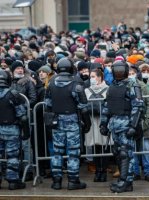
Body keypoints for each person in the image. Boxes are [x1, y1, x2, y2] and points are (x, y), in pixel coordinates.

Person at [45, 58, 91, 190]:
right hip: (71, 122)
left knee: (57, 152)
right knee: (73, 152)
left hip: (56, 120)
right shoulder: (76, 82)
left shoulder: (52, 82)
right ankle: (73, 180)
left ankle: (56, 181)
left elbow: (47, 105)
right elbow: (83, 107)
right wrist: (87, 124)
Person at [99, 60, 144, 193]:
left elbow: (138, 106)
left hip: (126, 124)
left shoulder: (132, 84)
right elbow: (107, 106)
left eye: (120, 70)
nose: (118, 73)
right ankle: (123, 180)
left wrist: (133, 125)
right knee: (117, 153)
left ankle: (127, 182)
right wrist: (103, 123)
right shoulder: (112, 85)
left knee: (126, 154)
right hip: (114, 125)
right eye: (116, 70)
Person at [0, 69, 28, 190]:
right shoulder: (13, 94)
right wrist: (26, 132)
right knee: (12, 156)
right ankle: (13, 181)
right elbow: (22, 116)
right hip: (12, 129)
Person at [84, 68, 109, 182]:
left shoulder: (108, 89)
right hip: (92, 121)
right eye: (91, 77)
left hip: (103, 121)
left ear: (100, 77)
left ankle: (103, 171)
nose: (92, 79)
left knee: (104, 146)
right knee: (95, 147)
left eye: (93, 76)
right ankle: (97, 170)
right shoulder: (87, 91)